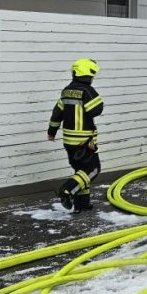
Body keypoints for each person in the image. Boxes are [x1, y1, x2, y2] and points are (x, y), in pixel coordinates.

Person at [47, 58, 104, 213]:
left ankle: (82, 204)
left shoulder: (66, 91)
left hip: (69, 141)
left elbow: (56, 113)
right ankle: (67, 190)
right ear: (88, 75)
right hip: (83, 141)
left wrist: (51, 132)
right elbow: (96, 110)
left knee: (81, 170)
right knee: (93, 169)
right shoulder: (87, 91)